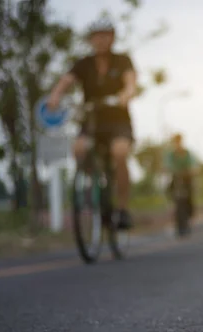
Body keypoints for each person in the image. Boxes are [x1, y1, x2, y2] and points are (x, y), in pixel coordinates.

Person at [46, 15, 137, 229]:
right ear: (90, 40)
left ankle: (122, 209)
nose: (101, 40)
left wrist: (126, 94)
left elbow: (130, 82)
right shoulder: (83, 64)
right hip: (92, 119)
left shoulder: (122, 60)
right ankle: (95, 184)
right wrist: (55, 96)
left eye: (105, 36)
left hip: (117, 120)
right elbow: (66, 81)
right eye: (97, 36)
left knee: (120, 152)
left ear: (112, 38)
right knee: (78, 148)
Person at [163, 133, 199, 226]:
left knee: (190, 194)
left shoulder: (187, 153)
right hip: (176, 177)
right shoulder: (171, 154)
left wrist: (192, 171)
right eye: (176, 142)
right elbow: (167, 165)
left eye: (179, 141)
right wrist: (168, 169)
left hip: (187, 178)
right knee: (169, 191)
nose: (177, 143)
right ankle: (172, 209)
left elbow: (194, 165)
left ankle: (190, 214)